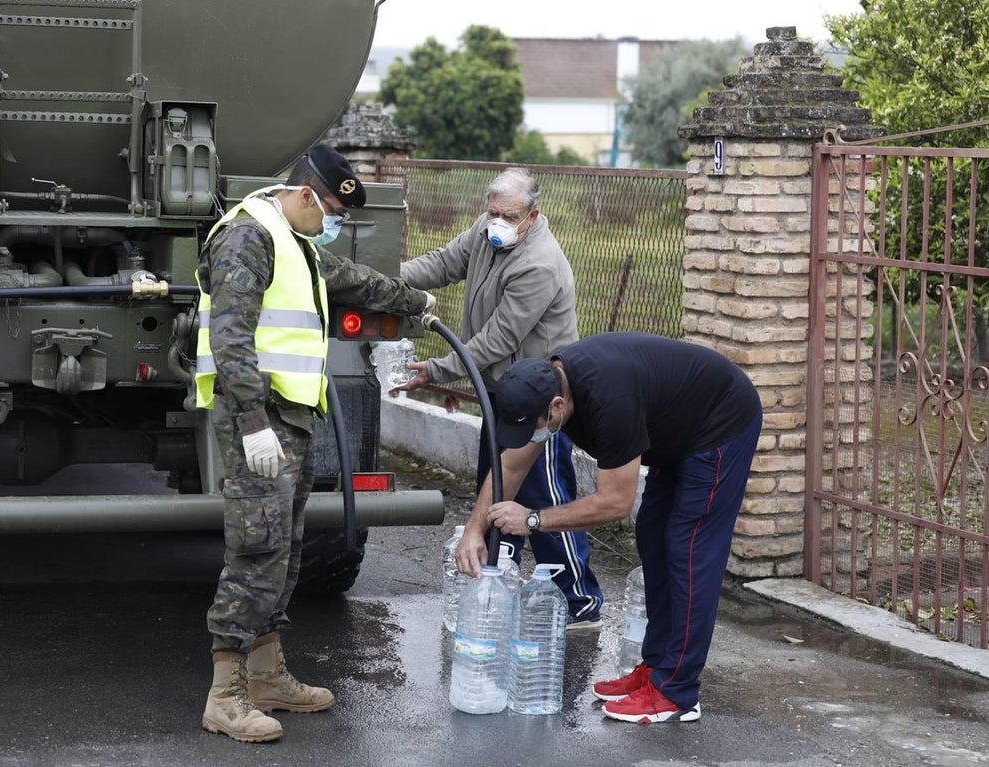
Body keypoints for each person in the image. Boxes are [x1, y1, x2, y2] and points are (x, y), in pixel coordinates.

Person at [194, 144, 434, 743]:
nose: (331, 226)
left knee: (285, 549)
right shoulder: (247, 238)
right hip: (260, 419)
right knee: (256, 550)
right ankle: (224, 696)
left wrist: (416, 302)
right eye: (329, 212)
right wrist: (251, 422)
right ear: (305, 196)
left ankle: (268, 676)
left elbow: (348, 278)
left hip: (292, 419)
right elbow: (231, 339)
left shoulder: (293, 242)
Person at [456, 332, 763, 723]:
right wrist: (473, 530)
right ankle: (656, 668)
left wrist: (533, 520)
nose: (531, 437)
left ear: (556, 406)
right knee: (654, 537)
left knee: (688, 550)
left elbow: (615, 503)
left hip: (720, 422)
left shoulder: (608, 400)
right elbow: (512, 465)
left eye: (533, 427)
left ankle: (677, 692)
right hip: (676, 431)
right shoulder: (548, 389)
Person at [397, 167, 604, 632]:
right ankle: (494, 578)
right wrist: (384, 282)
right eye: (491, 212)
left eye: (507, 215)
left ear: (532, 215)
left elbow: (496, 340)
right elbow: (443, 263)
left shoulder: (539, 264)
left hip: (541, 401)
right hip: (502, 393)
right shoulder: (486, 229)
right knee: (494, 487)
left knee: (545, 495)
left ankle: (581, 601)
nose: (496, 221)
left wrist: (435, 370)